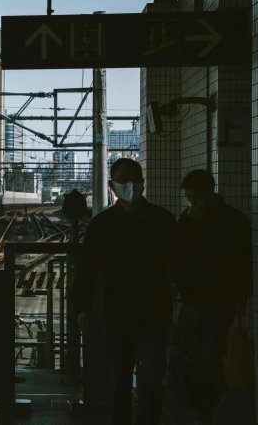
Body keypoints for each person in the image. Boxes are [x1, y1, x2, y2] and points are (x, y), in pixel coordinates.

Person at [74, 158, 199, 425]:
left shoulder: (160, 221)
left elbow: (178, 265)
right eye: (124, 181)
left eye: (136, 180)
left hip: (150, 313)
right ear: (112, 185)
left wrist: (191, 302)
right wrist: (82, 306)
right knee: (120, 381)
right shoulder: (103, 225)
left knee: (150, 378)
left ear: (143, 183)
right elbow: (87, 269)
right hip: (120, 313)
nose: (131, 186)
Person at [178, 170, 252, 425]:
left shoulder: (234, 220)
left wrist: (242, 295)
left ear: (210, 191)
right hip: (193, 297)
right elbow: (177, 251)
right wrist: (189, 221)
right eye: (188, 198)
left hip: (221, 296)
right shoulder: (188, 218)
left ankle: (208, 406)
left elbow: (244, 260)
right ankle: (202, 403)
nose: (192, 202)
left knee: (208, 351)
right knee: (193, 350)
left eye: (195, 196)